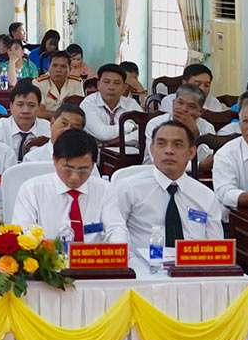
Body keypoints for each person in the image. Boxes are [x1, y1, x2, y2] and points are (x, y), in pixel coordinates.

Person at [101, 121, 224, 254]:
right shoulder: (128, 187)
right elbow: (113, 233)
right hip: (142, 269)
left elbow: (216, 248)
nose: (169, 151)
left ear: (192, 152)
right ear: (152, 149)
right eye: (161, 144)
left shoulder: (206, 196)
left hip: (192, 268)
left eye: (177, 145)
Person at [10, 129, 116, 245]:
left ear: (93, 165)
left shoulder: (105, 190)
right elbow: (23, 235)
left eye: (83, 169)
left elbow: (116, 230)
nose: (75, 177)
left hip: (92, 260)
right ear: (54, 160)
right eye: (68, 168)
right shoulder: (32, 189)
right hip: (48, 260)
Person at [152, 84, 216, 169]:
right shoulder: (156, 123)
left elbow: (207, 160)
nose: (184, 109)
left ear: (201, 111)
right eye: (180, 103)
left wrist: (196, 135)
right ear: (173, 103)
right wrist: (198, 166)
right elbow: (158, 160)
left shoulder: (207, 127)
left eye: (191, 106)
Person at [80, 64, 138, 144]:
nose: (111, 87)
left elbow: (146, 131)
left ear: (124, 88)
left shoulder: (131, 104)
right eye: (106, 82)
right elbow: (102, 134)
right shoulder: (88, 104)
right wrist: (130, 126)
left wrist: (113, 142)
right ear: (98, 85)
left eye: (117, 83)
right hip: (96, 154)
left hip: (130, 154)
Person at [0, 82, 47, 156]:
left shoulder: (48, 130)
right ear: (11, 106)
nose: (25, 111)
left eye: (31, 105)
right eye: (20, 105)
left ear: (39, 107)